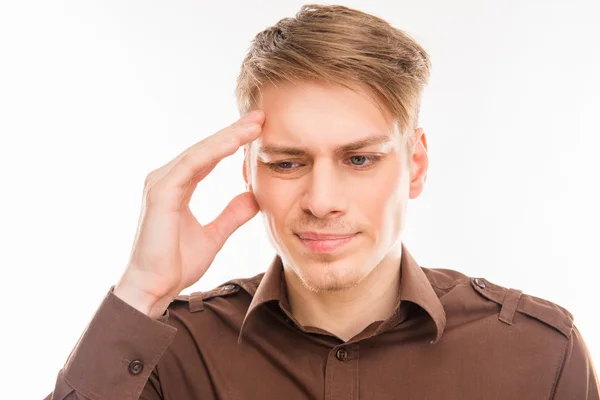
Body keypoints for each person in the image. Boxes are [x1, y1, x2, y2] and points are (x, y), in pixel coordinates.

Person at [45, 4, 598, 400]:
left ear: (416, 165)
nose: (321, 200)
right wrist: (141, 292)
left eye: (359, 159)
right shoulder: (166, 351)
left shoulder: (540, 356)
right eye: (286, 162)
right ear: (249, 172)